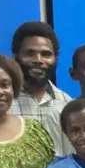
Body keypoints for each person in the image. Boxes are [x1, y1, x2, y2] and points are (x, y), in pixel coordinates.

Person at [9, 21, 74, 156]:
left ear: (55, 59)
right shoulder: (2, 102)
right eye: (30, 53)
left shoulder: (66, 104)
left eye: (46, 54)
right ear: (15, 57)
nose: (38, 60)